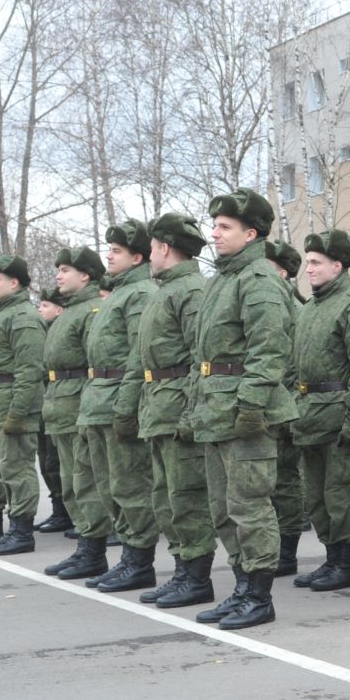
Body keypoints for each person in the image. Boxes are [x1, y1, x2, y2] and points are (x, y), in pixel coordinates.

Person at [185, 188, 300, 630]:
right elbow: (205, 355)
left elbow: (269, 350)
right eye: (214, 226)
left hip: (243, 412)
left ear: (251, 233)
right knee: (223, 509)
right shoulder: (222, 281)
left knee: (251, 505)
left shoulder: (258, 281)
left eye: (224, 227)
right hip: (216, 411)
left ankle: (259, 595)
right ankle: (241, 588)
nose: (214, 234)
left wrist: (252, 405)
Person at [288, 228, 350, 594]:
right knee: (315, 495)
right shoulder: (310, 309)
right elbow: (294, 366)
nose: (308, 268)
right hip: (308, 415)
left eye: (315, 262)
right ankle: (330, 558)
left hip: (338, 416)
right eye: (307, 262)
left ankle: (344, 564)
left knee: (339, 493)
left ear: (337, 266)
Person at [135, 213, 218, 609]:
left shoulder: (191, 291)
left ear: (165, 248)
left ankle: (197, 577)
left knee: (186, 497)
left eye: (152, 248)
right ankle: (182, 570)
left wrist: (189, 414)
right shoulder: (164, 290)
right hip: (159, 407)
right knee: (165, 498)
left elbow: (199, 358)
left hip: (178, 410)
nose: (149, 255)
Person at [80, 221, 162, 592]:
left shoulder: (140, 293)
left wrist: (126, 405)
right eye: (109, 249)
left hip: (118, 397)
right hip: (99, 398)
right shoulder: (117, 294)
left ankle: (139, 560)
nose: (108, 255)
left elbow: (136, 354)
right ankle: (128, 556)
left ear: (137, 257)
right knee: (109, 485)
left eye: (116, 251)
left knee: (130, 485)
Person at [40, 252, 111, 578]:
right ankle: (85, 546)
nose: (59, 276)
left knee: (86, 482)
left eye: (65, 270)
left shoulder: (92, 312)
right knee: (70, 483)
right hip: (61, 405)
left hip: (79, 404)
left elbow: (95, 364)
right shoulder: (70, 313)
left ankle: (93, 550)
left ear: (85, 276)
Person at [0, 255, 47, 556]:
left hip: (11, 407)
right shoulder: (1, 315)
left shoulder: (23, 317)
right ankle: (12, 528)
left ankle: (21, 531)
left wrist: (18, 412)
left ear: (14, 282)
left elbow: (30, 370)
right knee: (3, 469)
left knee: (17, 469)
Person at [264, 238, 309, 576]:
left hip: (285, 406)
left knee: (285, 480)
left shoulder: (292, 309)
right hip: (274, 404)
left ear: (280, 272)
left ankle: (287, 550)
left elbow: (292, 366)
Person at [33, 289, 71, 535]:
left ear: (59, 310)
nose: (40, 310)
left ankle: (69, 512)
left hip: (61, 403)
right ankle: (60, 510)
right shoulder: (44, 334)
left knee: (61, 462)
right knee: (48, 461)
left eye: (45, 305)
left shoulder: (62, 333)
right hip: (48, 404)